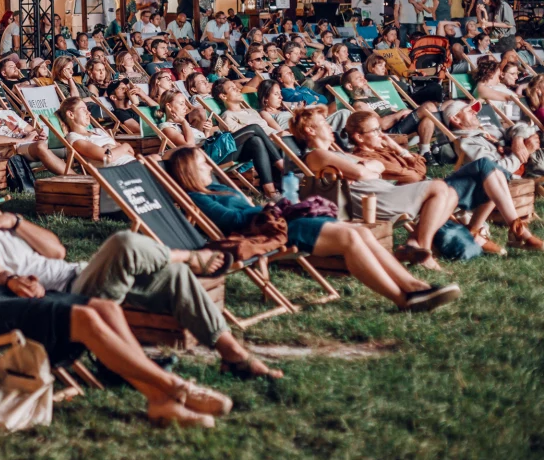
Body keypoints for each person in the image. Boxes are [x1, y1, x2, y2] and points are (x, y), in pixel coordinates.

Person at [0, 184, 231, 428]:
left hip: (2, 298)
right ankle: (175, 388)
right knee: (83, 317)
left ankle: (160, 400)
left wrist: (11, 280)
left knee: (102, 308)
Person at [166, 146, 460, 312]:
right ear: (189, 169)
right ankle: (403, 299)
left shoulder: (215, 187)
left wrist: (274, 207)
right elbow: (232, 221)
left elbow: (245, 210)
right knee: (349, 237)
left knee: (361, 232)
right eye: (201, 162)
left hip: (279, 220)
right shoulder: (196, 197)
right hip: (270, 231)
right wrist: (270, 209)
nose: (208, 164)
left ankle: (414, 287)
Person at [346, 110, 543, 253]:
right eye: (375, 131)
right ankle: (509, 232)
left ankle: (510, 231)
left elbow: (421, 165)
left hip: (429, 189)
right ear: (358, 137)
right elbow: (415, 174)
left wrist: (399, 151)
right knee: (485, 167)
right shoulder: (366, 159)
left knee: (493, 172)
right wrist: (402, 154)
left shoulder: (383, 150)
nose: (382, 135)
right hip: (423, 197)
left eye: (381, 129)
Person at [291, 107, 457, 269]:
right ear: (310, 130)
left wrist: (367, 170)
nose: (329, 126)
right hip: (371, 201)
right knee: (438, 187)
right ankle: (424, 250)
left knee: (451, 193)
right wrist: (366, 170)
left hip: (382, 192)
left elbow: (378, 166)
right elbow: (362, 173)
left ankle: (415, 243)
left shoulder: (337, 154)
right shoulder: (317, 155)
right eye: (324, 123)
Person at [0, 74, 68, 175]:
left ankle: (83, 175)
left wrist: (40, 133)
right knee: (40, 146)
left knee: (70, 140)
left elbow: (31, 130)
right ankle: (75, 178)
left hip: (30, 144)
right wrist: (23, 140)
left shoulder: (8, 113)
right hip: (15, 150)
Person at [209, 79, 289, 198]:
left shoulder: (251, 111)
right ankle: (278, 176)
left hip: (272, 140)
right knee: (255, 135)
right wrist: (275, 137)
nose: (237, 89)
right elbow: (241, 139)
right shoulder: (227, 116)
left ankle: (277, 186)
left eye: (236, 87)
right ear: (223, 96)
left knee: (261, 139)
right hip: (255, 145)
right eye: (232, 88)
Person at [340, 68, 436, 154]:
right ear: (350, 86)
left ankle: (425, 152)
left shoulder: (375, 98)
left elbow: (393, 112)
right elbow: (381, 125)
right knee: (429, 106)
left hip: (401, 124)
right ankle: (442, 141)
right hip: (391, 132)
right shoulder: (359, 105)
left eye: (363, 77)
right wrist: (402, 112)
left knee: (428, 118)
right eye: (359, 79)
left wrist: (406, 115)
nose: (365, 80)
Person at [441, 99, 539, 176]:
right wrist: (523, 152)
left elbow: (522, 127)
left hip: (534, 158)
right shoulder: (468, 142)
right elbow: (494, 170)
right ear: (455, 119)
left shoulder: (488, 130)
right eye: (469, 111)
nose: (475, 112)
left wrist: (518, 139)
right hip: (523, 170)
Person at [57, 96, 136, 167]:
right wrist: (125, 146)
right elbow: (107, 158)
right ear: (71, 114)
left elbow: (131, 152)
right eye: (84, 110)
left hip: (132, 163)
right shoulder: (74, 137)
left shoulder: (98, 131)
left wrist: (109, 149)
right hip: (120, 170)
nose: (89, 113)